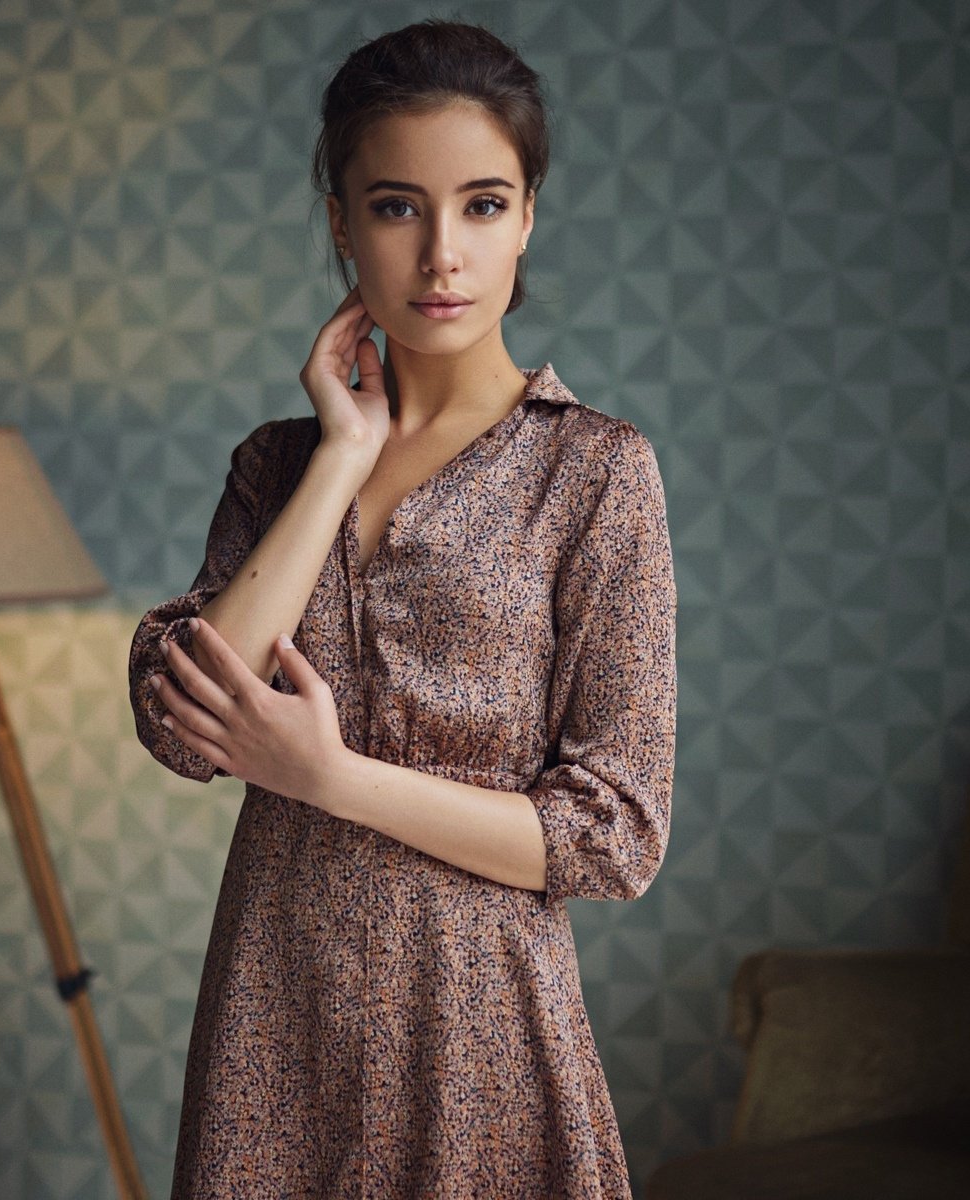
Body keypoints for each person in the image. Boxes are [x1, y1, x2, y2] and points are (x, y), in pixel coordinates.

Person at [127, 17, 677, 1198]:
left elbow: (614, 833)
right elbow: (180, 722)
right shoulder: (278, 465)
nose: (442, 256)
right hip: (276, 1012)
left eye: (482, 205)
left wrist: (329, 777)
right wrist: (340, 457)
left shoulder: (595, 473)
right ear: (339, 220)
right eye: (395, 206)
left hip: (480, 1023)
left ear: (529, 216)